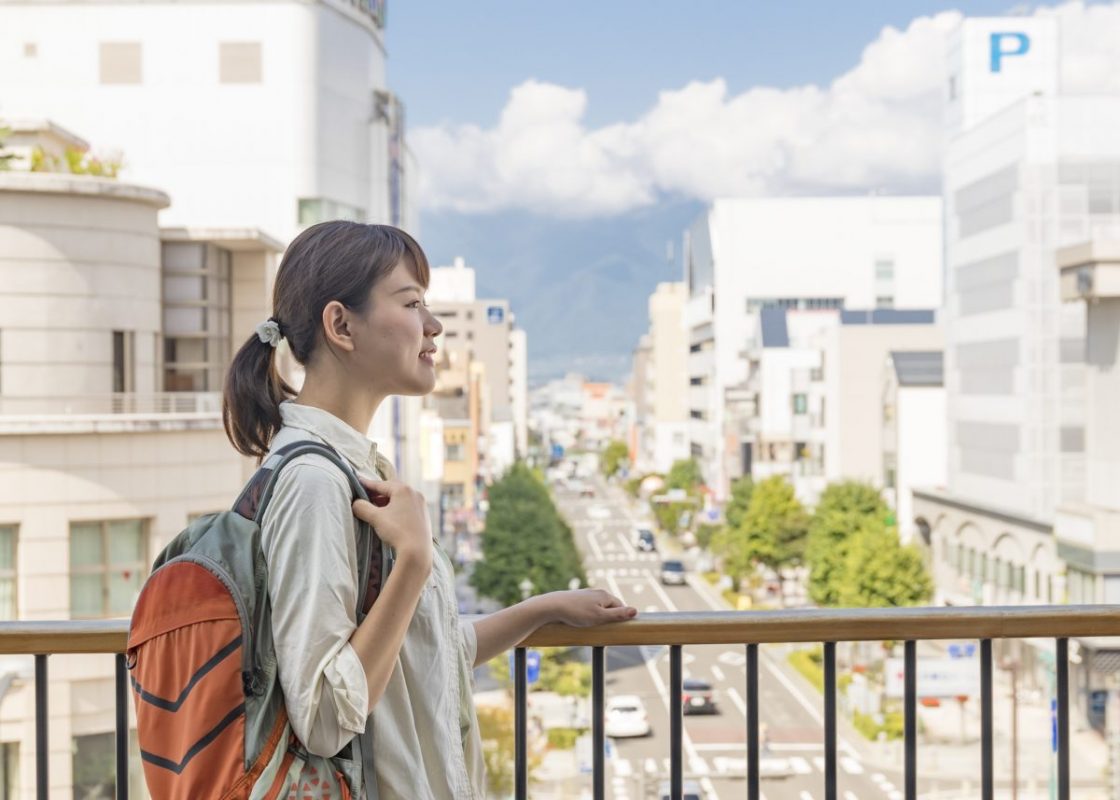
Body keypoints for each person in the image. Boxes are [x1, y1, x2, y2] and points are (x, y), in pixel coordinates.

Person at [222, 220, 637, 799]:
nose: (434, 326)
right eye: (412, 302)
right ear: (341, 325)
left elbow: (426, 653)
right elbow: (321, 718)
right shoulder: (314, 482)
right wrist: (413, 561)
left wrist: (546, 608)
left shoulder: (356, 470)